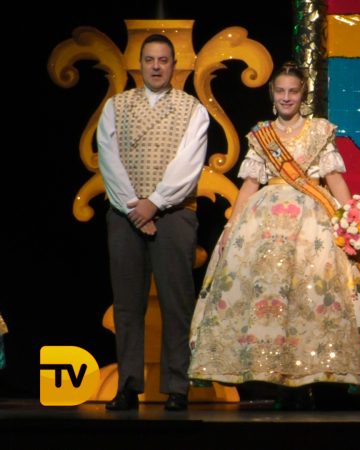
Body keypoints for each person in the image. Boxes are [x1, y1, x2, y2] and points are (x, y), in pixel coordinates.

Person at [188, 62, 360, 407]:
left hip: (311, 224)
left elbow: (334, 179)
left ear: (302, 94)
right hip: (265, 225)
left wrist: (351, 217)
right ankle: (278, 382)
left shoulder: (319, 130)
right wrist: (231, 226)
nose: (287, 97)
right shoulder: (262, 134)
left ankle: (307, 382)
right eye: (281, 91)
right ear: (272, 94)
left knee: (310, 298)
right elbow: (250, 183)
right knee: (271, 300)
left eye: (293, 91)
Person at [97, 34, 209, 411]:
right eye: (150, 60)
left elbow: (188, 165)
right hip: (124, 212)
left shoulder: (192, 109)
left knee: (177, 301)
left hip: (174, 213)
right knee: (127, 304)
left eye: (163, 60)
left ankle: (177, 387)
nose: (156, 66)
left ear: (173, 65)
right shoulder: (116, 106)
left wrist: (155, 203)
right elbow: (108, 158)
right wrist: (134, 207)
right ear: (140, 64)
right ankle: (128, 386)